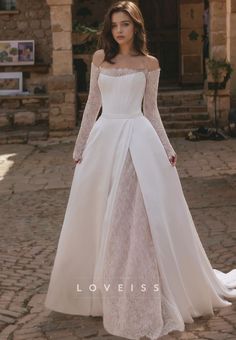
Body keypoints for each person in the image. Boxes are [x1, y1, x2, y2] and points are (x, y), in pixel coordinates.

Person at [44, 1, 236, 339]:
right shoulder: (100, 59)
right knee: (99, 212)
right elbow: (92, 105)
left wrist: (167, 146)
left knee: (133, 213)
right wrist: (79, 146)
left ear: (136, 27)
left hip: (138, 138)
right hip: (105, 139)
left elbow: (152, 109)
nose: (119, 30)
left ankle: (142, 284)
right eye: (115, 25)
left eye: (125, 25)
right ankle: (100, 290)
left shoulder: (150, 63)